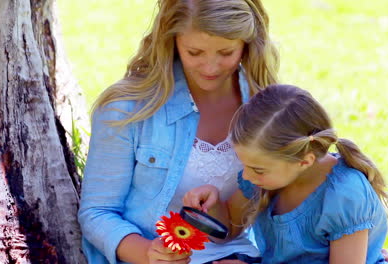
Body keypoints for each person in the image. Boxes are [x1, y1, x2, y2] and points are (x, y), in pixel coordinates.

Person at [78, 0, 279, 263]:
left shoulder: (268, 106)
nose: (210, 67)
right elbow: (98, 212)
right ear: (171, 41)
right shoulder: (127, 109)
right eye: (194, 52)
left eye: (226, 52)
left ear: (247, 44)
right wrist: (149, 254)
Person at [183, 84, 388, 263]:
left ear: (304, 161)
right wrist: (212, 206)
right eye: (244, 165)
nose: (246, 176)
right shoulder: (267, 178)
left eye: (257, 169)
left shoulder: (345, 196)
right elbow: (229, 229)